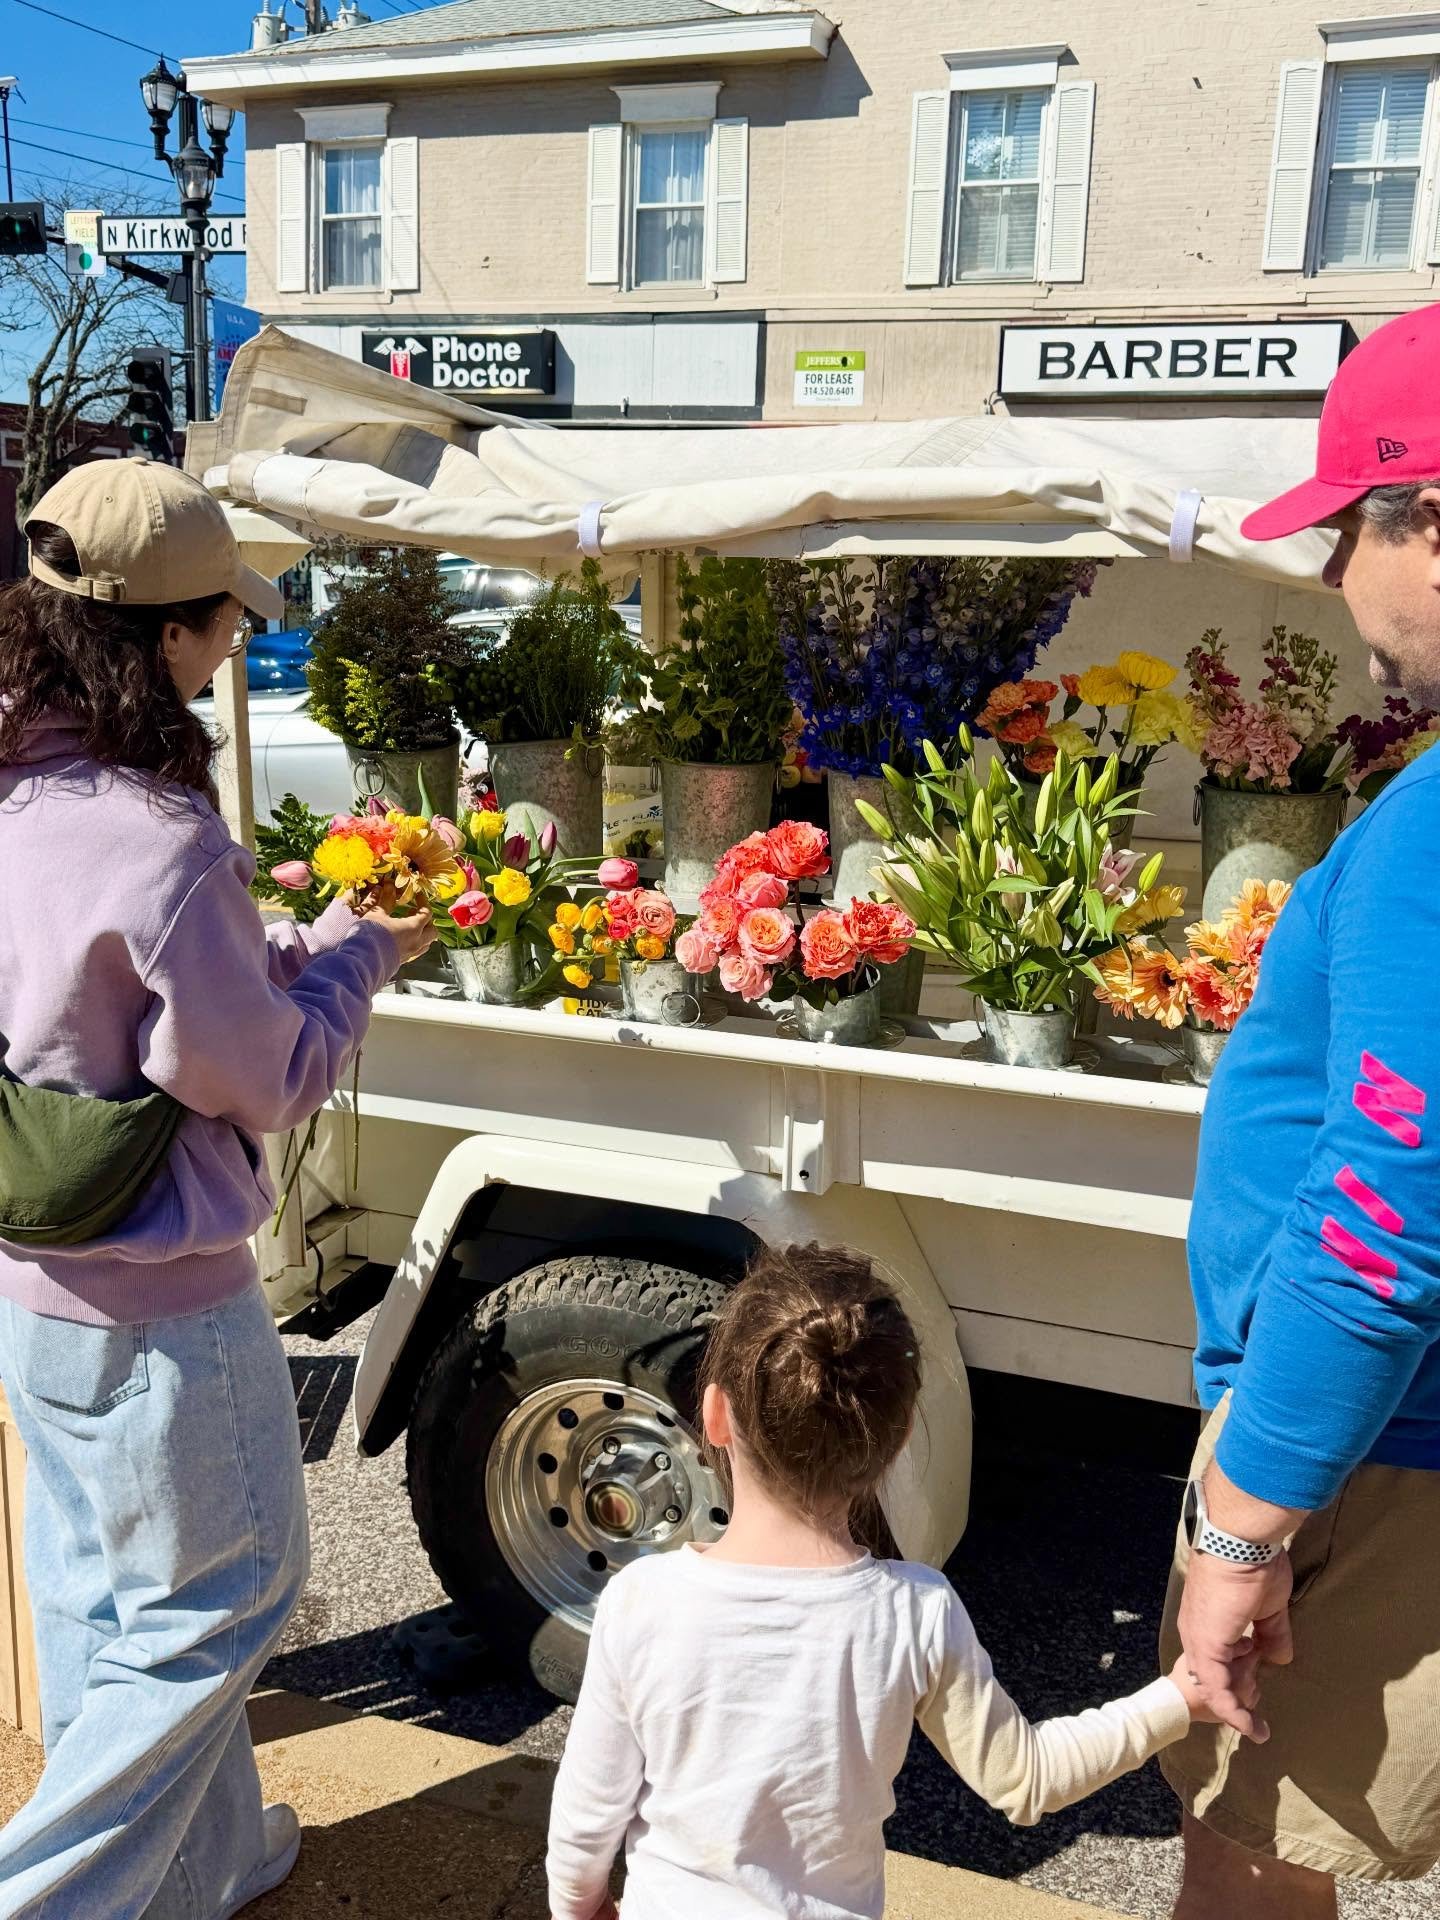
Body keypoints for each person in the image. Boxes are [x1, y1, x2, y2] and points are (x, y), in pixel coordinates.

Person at [0, 457, 434, 1919]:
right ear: (160, 635)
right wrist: (367, 954)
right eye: (221, 618)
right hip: (163, 1306)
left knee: (95, 1598)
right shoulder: (164, 837)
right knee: (220, 1608)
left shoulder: (19, 784)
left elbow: (145, 1020)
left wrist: (298, 942)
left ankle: (206, 1863)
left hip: (35, 1284)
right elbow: (260, 1081)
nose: (238, 640)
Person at [546, 1242, 1225, 1920]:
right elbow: (1029, 1778)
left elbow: (584, 1824)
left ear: (716, 1414)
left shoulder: (644, 1600)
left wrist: (584, 1907)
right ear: (895, 1443)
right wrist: (1177, 1699)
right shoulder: (915, 1612)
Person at [1162, 301, 1440, 1916]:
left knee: (1248, 1868)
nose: (1331, 577)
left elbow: (1392, 1204)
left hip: (1366, 1447)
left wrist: (1249, 1524)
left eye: (1350, 528)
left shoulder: (1426, 834)